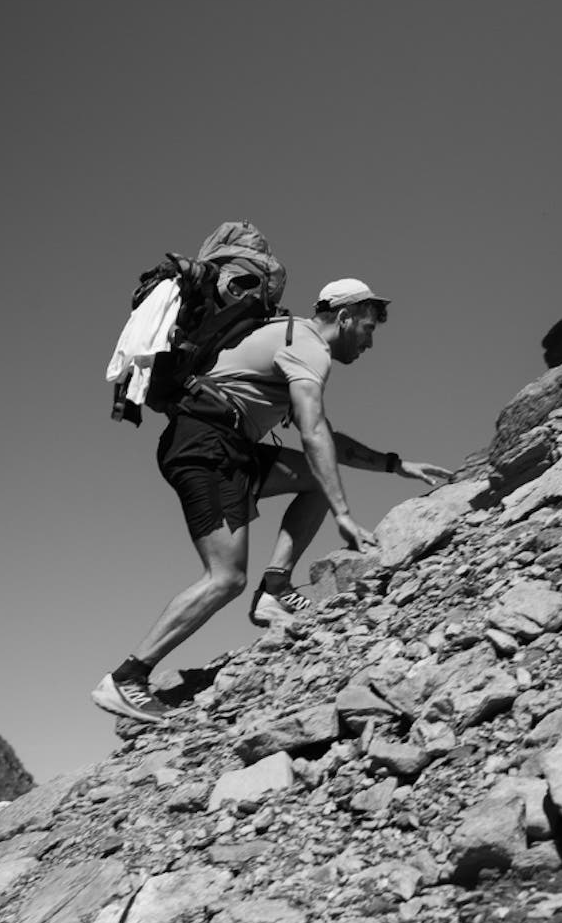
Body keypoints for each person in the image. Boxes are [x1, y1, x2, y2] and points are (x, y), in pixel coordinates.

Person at [93, 279, 453, 723]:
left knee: (317, 478)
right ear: (344, 317)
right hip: (206, 445)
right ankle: (127, 678)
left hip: (229, 445)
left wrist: (395, 465)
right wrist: (342, 514)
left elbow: (326, 438)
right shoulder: (307, 347)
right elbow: (313, 433)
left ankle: (276, 590)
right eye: (369, 326)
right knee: (225, 578)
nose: (370, 341)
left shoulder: (294, 343)